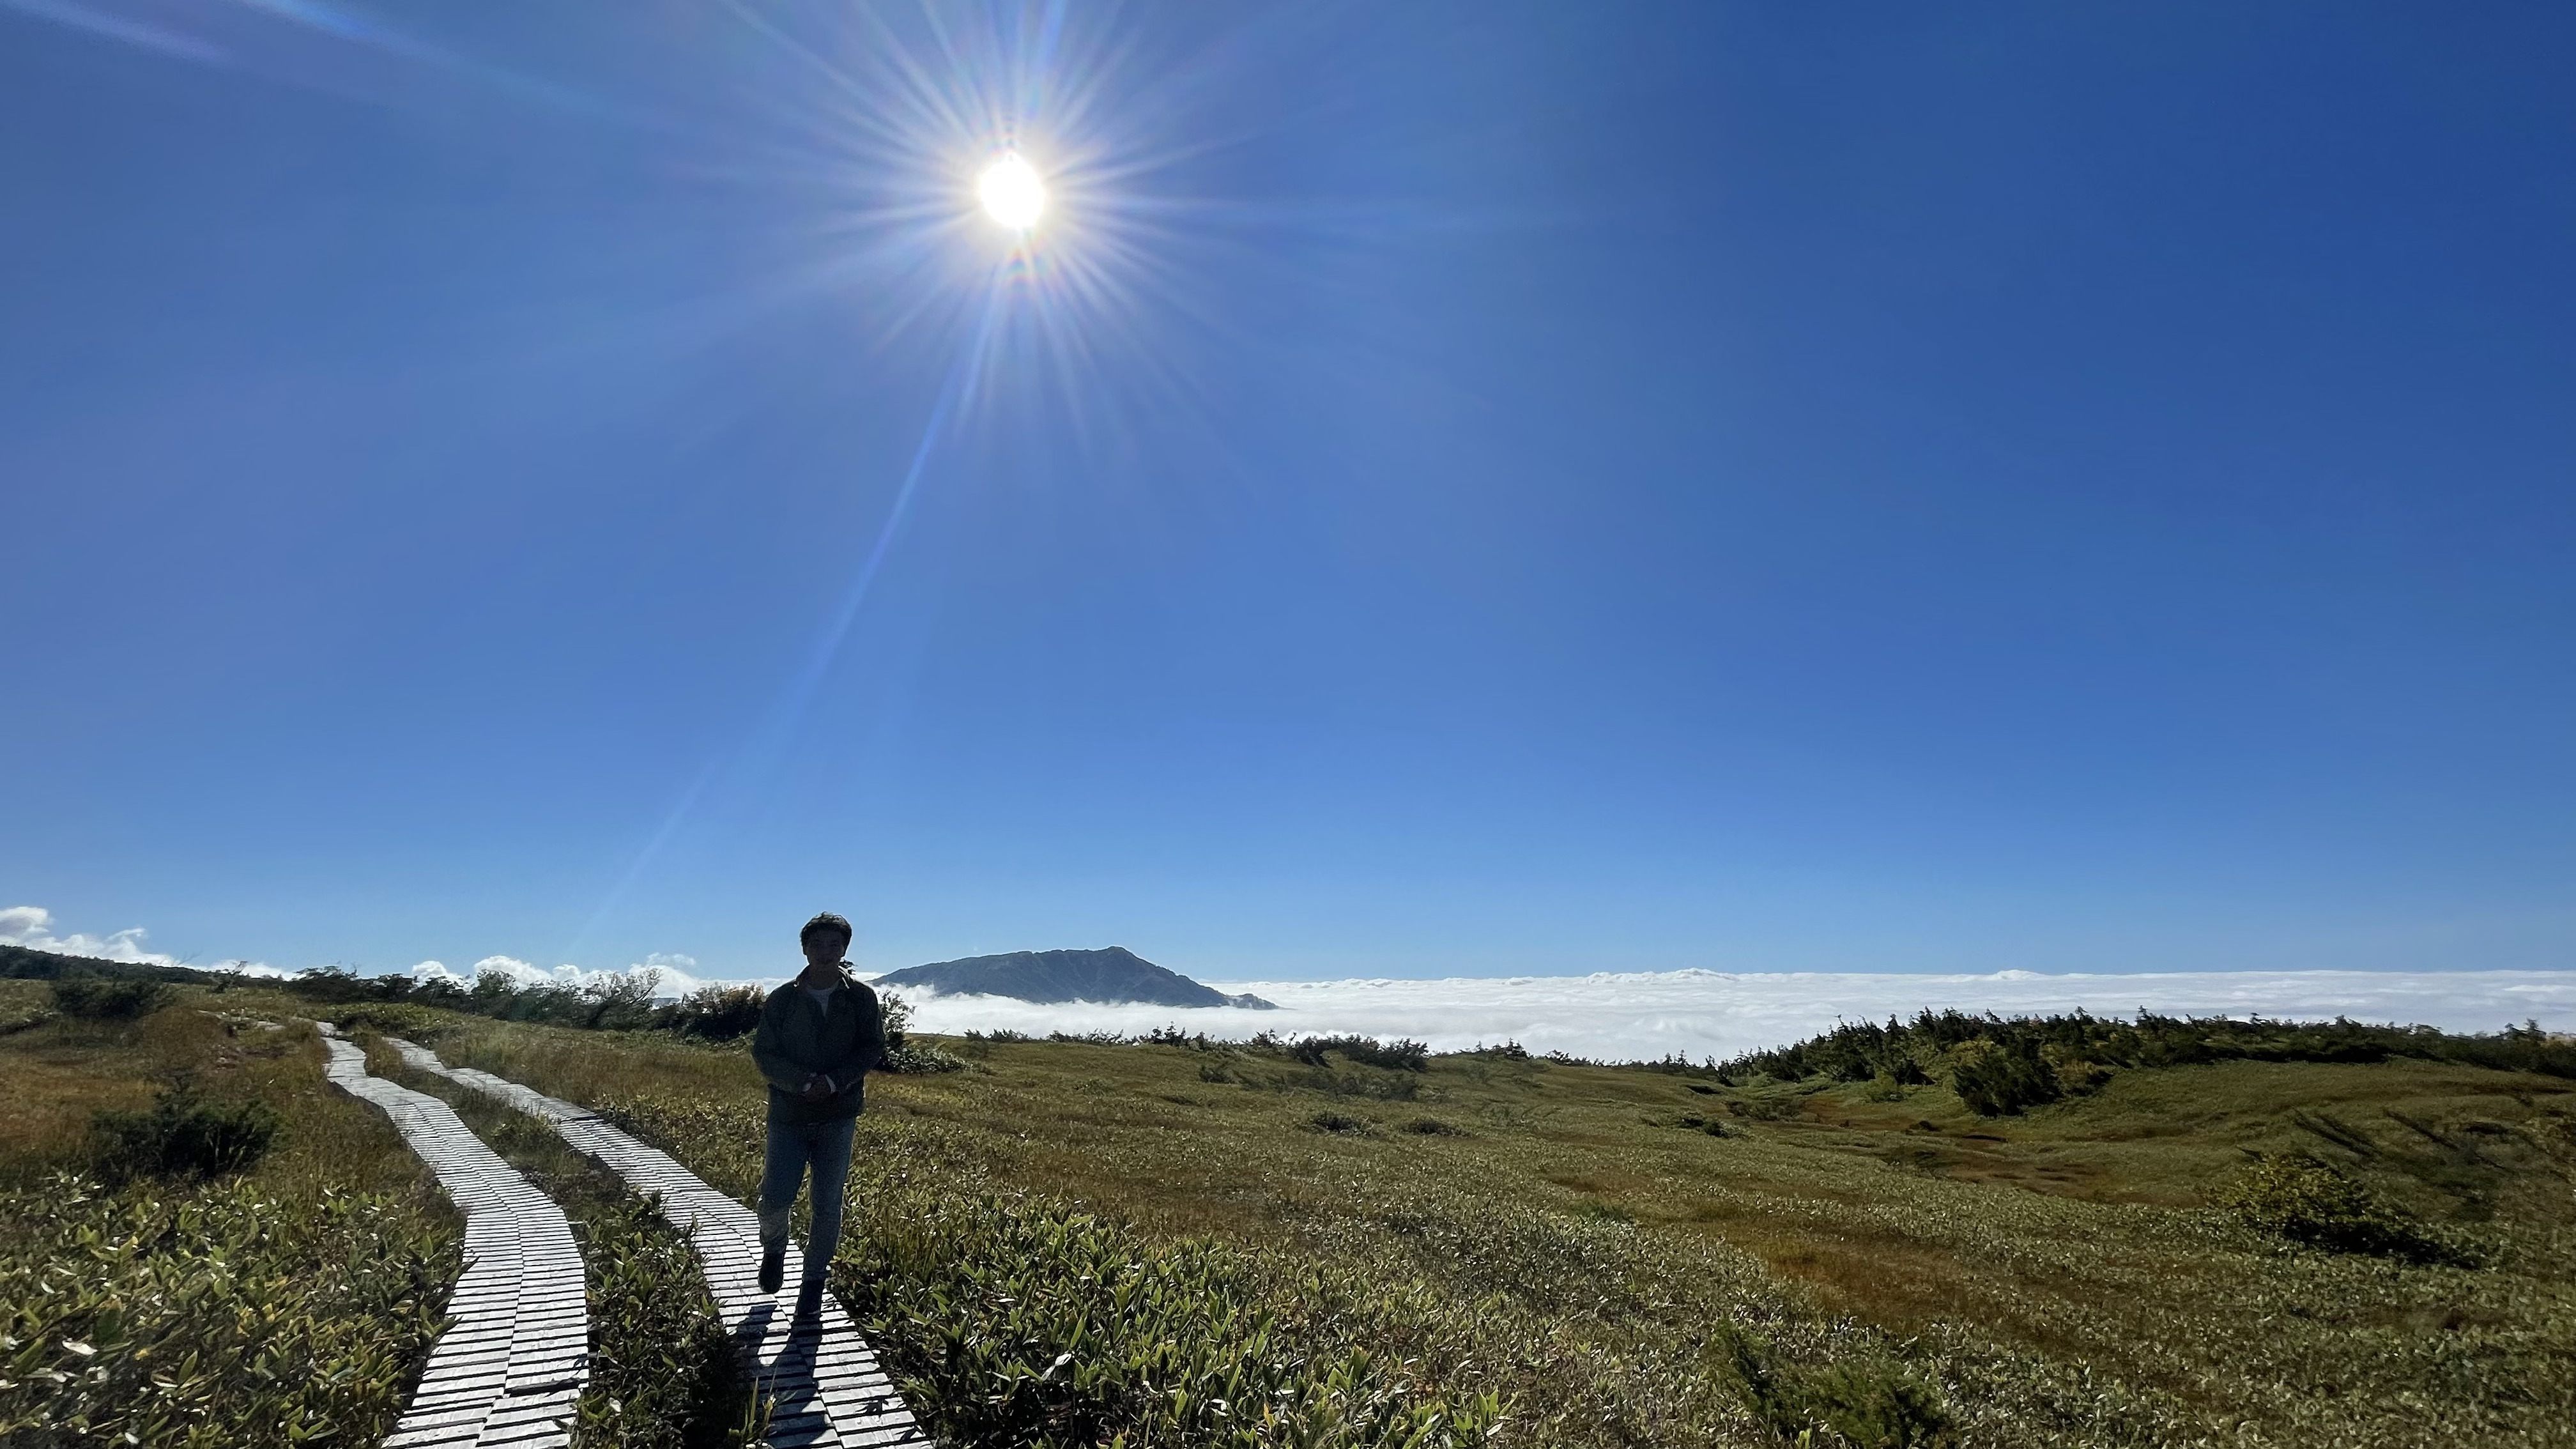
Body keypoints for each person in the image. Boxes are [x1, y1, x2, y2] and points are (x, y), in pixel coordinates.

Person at [750, 911, 887, 1298]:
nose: (826, 952)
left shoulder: (861, 997)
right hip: (789, 1114)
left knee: (827, 1203)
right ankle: (774, 1250)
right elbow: (764, 1052)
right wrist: (803, 1082)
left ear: (844, 949)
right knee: (775, 1197)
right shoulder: (782, 999)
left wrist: (833, 1082)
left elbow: (872, 1046)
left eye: (834, 945)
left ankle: (813, 1279)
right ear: (804, 949)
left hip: (838, 1115)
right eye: (817, 944)